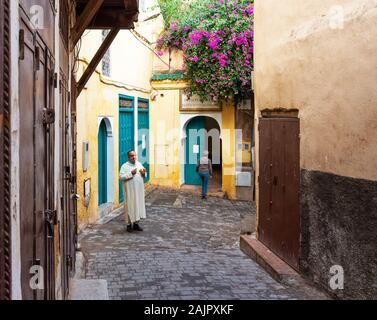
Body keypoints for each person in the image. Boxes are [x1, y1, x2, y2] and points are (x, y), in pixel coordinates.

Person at [119, 150, 147, 233]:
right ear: (128, 157)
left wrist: (144, 174)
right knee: (129, 206)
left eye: (135, 155)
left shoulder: (139, 164)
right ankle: (128, 225)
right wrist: (131, 173)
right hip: (129, 191)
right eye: (131, 156)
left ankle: (136, 224)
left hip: (138, 191)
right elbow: (121, 177)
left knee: (137, 205)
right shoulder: (124, 166)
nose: (134, 157)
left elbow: (144, 174)